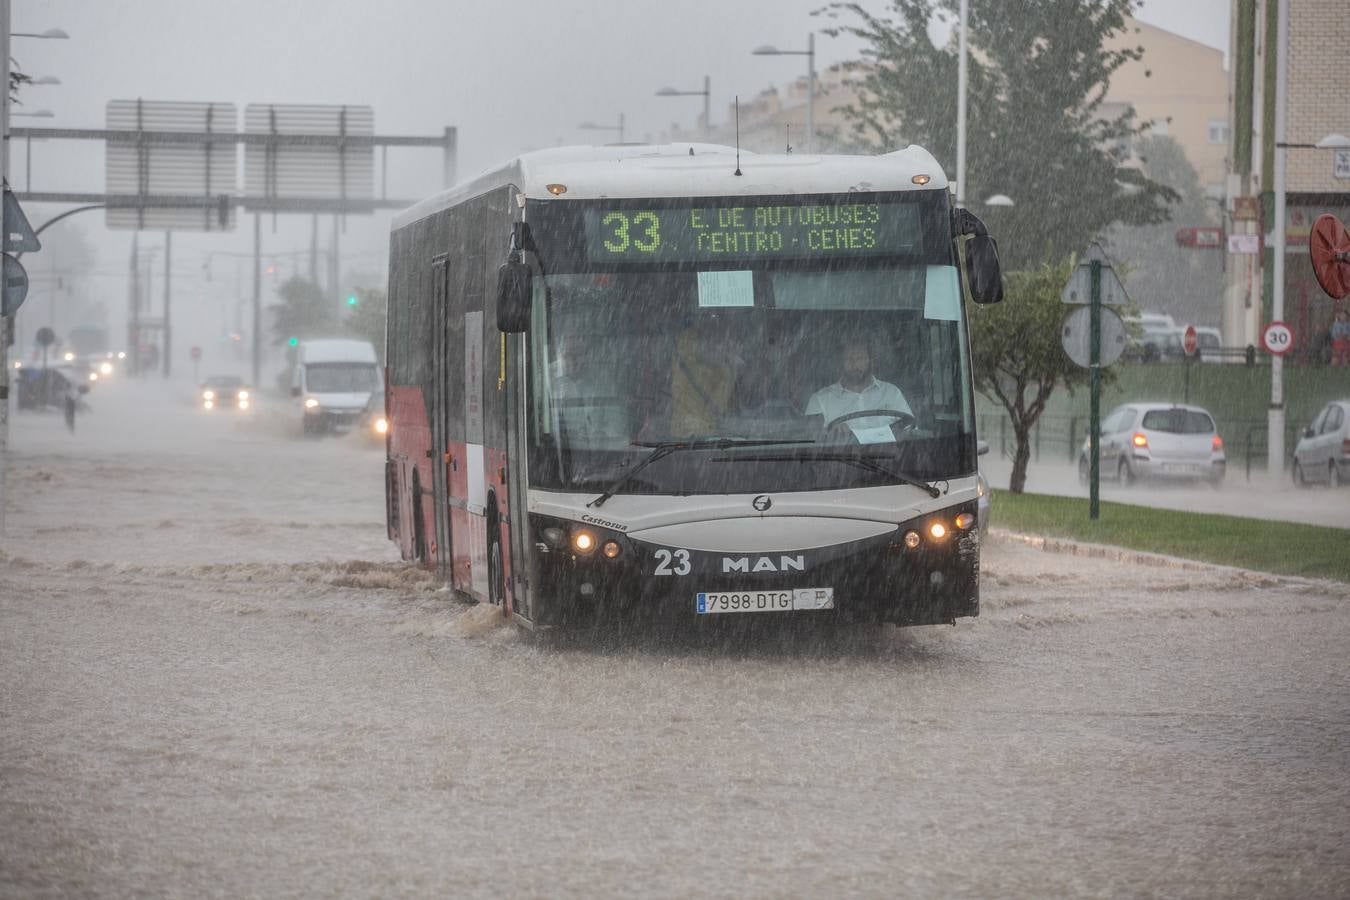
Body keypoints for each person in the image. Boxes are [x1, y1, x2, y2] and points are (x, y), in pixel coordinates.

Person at [804, 337, 912, 434]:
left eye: (860, 358)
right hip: (840, 456)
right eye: (848, 359)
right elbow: (812, 440)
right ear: (840, 363)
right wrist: (832, 435)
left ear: (870, 361)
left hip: (892, 455)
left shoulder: (891, 393)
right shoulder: (820, 400)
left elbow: (911, 430)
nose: (854, 364)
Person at [670, 315, 736, 437]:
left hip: (682, 436)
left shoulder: (676, 366)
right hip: (698, 435)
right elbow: (720, 407)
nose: (693, 344)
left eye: (694, 339)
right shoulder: (709, 371)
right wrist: (726, 371)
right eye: (690, 339)